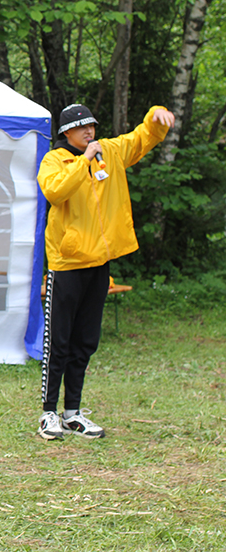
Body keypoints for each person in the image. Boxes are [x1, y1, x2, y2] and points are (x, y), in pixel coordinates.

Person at [36, 103, 174, 440]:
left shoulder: (108, 152)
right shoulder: (54, 160)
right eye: (81, 127)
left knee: (85, 341)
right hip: (67, 264)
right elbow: (55, 191)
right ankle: (48, 413)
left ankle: (73, 413)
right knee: (59, 342)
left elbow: (140, 139)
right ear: (66, 133)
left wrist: (156, 117)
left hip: (99, 263)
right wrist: (83, 161)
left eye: (92, 126)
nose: (89, 132)